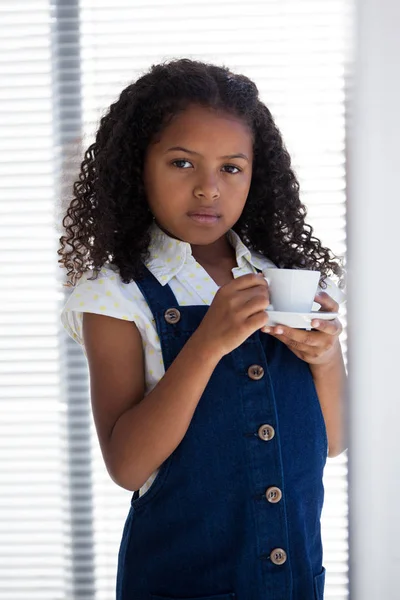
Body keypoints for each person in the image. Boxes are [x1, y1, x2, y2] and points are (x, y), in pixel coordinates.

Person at [58, 58, 346, 600]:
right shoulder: (114, 295)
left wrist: (327, 358)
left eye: (231, 168)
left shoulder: (279, 280)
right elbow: (127, 463)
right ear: (138, 166)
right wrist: (207, 343)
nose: (208, 189)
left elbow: (335, 440)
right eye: (182, 163)